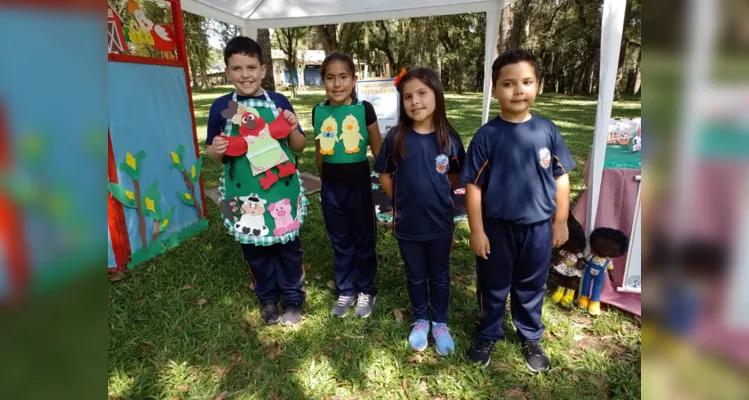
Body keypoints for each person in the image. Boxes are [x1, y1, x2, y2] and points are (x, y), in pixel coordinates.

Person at [461, 49, 576, 371]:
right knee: (493, 284)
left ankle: (530, 336)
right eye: (508, 83)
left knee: (531, 284)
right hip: (496, 228)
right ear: (495, 90)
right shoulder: (487, 135)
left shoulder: (547, 131)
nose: (518, 90)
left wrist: (561, 220)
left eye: (526, 82)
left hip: (539, 228)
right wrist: (478, 230)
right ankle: (488, 333)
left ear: (537, 85)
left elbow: (561, 177)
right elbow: (473, 185)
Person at [205, 36, 308, 326]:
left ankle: (293, 298)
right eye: (237, 68)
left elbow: (299, 146)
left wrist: (290, 126)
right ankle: (267, 296)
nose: (245, 74)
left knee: (288, 246)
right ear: (228, 72)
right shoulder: (221, 107)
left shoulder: (278, 102)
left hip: (280, 189)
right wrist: (217, 149)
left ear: (263, 70)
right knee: (254, 247)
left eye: (251, 67)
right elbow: (212, 153)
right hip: (243, 191)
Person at [374, 68, 465, 356]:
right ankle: (421, 319)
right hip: (408, 224)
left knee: (439, 274)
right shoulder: (396, 137)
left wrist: (435, 197)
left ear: (437, 95)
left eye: (422, 93)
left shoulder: (449, 138)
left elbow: (454, 177)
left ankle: (439, 322)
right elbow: (385, 175)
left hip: (440, 224)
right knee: (415, 274)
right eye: (408, 96)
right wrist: (403, 199)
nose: (415, 101)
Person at [312, 52, 383, 318]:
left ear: (354, 80)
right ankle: (346, 289)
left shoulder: (364, 109)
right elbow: (320, 153)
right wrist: (326, 184)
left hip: (359, 188)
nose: (337, 84)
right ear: (323, 81)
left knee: (363, 240)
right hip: (331, 188)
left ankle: (366, 289)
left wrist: (392, 180)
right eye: (330, 78)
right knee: (340, 240)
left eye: (343, 77)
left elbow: (378, 151)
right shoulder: (319, 111)